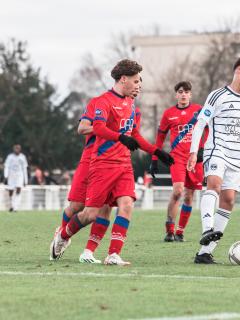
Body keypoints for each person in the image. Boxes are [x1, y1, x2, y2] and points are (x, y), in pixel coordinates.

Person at [50, 59, 174, 265]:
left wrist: (157, 152)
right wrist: (120, 136)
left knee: (126, 205)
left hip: (124, 165)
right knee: (87, 211)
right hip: (100, 163)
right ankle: (63, 235)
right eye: (136, 82)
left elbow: (135, 135)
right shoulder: (102, 101)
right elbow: (94, 128)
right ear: (123, 79)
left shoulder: (132, 106)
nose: (138, 86)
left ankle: (112, 254)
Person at [187, 57, 240, 264]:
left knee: (229, 200)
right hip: (217, 150)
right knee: (213, 185)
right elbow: (200, 124)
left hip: (236, 158)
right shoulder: (217, 96)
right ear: (239, 71)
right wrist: (193, 152)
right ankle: (207, 228)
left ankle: (204, 252)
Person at [150, 81, 206, 242]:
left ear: (190, 94)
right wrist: (154, 159)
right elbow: (160, 137)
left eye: (186, 92)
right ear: (176, 94)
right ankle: (170, 230)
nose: (183, 94)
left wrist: (203, 149)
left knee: (189, 196)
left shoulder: (198, 111)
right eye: (180, 91)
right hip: (177, 158)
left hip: (195, 158)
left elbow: (208, 129)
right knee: (178, 191)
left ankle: (180, 232)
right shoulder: (168, 113)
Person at [3, 144, 28, 212]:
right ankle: (11, 205)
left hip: (19, 176)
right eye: (15, 148)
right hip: (11, 176)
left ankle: (15, 207)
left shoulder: (23, 157)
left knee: (18, 189)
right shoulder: (10, 157)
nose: (16, 150)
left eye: (18, 148)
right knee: (11, 191)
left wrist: (26, 180)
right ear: (13, 149)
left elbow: (24, 169)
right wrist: (6, 176)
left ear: (20, 149)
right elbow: (6, 166)